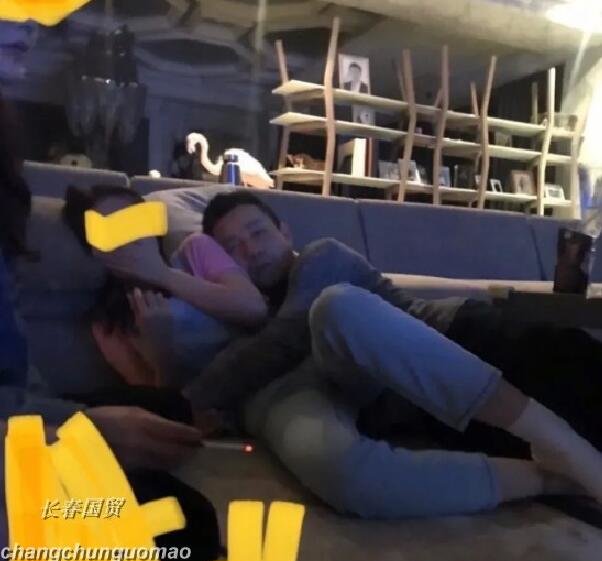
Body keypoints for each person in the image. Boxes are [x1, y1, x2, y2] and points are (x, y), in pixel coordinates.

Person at [176, 189, 602, 519]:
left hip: (469, 339)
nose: (251, 250)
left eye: (258, 233)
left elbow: (285, 338)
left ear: (285, 233)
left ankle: (568, 451)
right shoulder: (251, 336)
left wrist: (188, 402)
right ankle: (565, 472)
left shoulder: (321, 259)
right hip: (445, 414)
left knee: (578, 381)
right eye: (232, 248)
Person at [0, 42, 221, 558]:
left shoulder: (193, 255)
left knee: (180, 491)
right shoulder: (110, 316)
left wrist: (70, 424)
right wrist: (72, 433)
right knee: (180, 520)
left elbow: (18, 379)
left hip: (25, 419)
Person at [62, 184, 267, 388]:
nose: (132, 236)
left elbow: (255, 310)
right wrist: (160, 347)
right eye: (114, 231)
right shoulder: (108, 324)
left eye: (137, 220)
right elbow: (159, 397)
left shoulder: (195, 249)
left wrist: (161, 273)